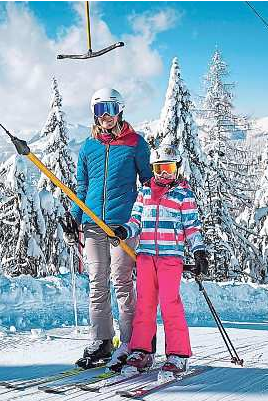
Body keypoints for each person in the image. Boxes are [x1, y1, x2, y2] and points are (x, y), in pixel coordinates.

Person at [64, 88, 153, 369]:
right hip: (92, 224)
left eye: (110, 109)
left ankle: (132, 343)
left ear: (120, 111)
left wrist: (146, 215)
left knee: (122, 282)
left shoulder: (136, 143)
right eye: (99, 109)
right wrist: (75, 218)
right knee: (97, 282)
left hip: (122, 226)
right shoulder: (88, 147)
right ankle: (102, 340)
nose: (105, 116)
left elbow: (147, 184)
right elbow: (82, 187)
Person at [112, 144, 209, 373]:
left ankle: (178, 354)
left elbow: (192, 228)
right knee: (144, 306)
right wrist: (124, 231)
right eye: (158, 168)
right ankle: (142, 352)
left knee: (169, 304)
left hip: (170, 259)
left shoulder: (183, 195)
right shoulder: (144, 193)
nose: (163, 174)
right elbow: (135, 221)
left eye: (167, 168)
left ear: (177, 168)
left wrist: (199, 251)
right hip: (145, 258)